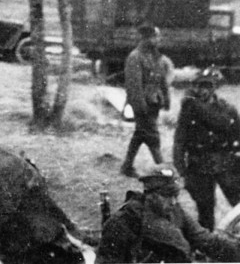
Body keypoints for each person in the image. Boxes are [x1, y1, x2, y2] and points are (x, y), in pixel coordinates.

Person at [96, 164, 240, 263]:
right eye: (166, 195)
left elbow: (206, 240)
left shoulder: (176, 212)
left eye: (175, 196)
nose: (172, 202)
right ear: (150, 194)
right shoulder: (123, 221)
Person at [173, 67, 240, 230]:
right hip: (199, 165)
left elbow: (237, 137)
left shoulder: (227, 109)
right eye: (200, 86)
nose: (203, 90)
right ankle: (208, 245)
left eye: (208, 86)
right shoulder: (189, 110)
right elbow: (179, 140)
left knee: (237, 203)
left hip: (225, 163)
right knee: (205, 209)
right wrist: (181, 169)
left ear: (214, 87)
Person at [120, 23, 174, 177]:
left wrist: (166, 99)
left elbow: (162, 79)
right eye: (156, 36)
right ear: (146, 38)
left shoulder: (156, 57)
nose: (159, 39)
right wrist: (139, 106)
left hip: (154, 102)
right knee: (152, 135)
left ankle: (127, 166)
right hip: (142, 104)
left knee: (141, 133)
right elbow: (133, 85)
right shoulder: (135, 57)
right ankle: (163, 170)